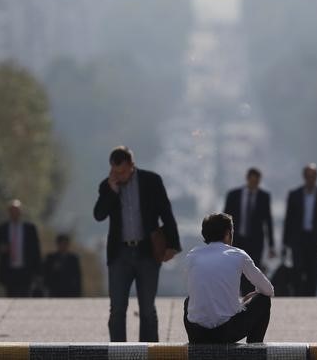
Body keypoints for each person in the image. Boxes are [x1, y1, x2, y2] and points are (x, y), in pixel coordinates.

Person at [94, 146, 181, 342]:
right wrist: (112, 190)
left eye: (123, 172)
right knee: (117, 309)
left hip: (147, 252)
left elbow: (166, 213)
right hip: (119, 254)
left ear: (132, 165)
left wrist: (172, 245)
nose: (119, 176)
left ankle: (150, 351)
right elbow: (98, 215)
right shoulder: (107, 186)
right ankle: (117, 352)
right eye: (115, 172)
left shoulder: (151, 181)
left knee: (147, 309)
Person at [183, 213, 274, 344]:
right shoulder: (238, 255)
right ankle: (254, 350)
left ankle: (197, 348)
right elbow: (269, 290)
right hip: (226, 332)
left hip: (197, 333)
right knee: (263, 301)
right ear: (227, 233)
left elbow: (192, 286)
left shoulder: (192, 255)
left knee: (188, 301)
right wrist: (250, 299)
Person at [281, 163, 317, 296]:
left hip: (315, 240)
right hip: (298, 239)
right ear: (304, 177)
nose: (310, 179)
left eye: (313, 176)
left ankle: (310, 297)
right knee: (297, 269)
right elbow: (288, 220)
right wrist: (285, 243)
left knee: (313, 271)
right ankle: (298, 295)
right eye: (308, 176)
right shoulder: (294, 195)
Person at [223, 167, 275, 294]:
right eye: (252, 181)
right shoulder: (234, 195)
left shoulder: (264, 197)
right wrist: (223, 238)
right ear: (247, 179)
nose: (254, 184)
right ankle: (238, 294)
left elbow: (268, 221)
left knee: (253, 269)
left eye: (256, 182)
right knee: (236, 269)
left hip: (256, 241)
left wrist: (271, 245)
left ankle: (249, 297)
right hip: (237, 240)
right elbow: (225, 217)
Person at [0, 200, 42, 297]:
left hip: (26, 270)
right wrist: (1, 249)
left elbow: (36, 250)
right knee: (11, 296)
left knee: (25, 295)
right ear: (9, 212)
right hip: (9, 270)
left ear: (21, 212)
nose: (15, 213)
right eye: (12, 211)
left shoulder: (30, 229)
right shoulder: (2, 229)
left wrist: (38, 271)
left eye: (17, 211)